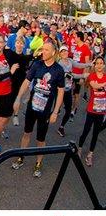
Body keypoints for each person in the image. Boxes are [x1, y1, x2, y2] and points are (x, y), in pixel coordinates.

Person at [11, 41, 65, 177]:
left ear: (53, 52)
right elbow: (26, 82)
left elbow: (61, 91)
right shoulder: (37, 65)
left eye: (46, 50)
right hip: (31, 107)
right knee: (26, 133)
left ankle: (38, 163)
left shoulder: (58, 70)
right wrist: (18, 98)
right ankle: (21, 157)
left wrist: (55, 112)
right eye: (42, 49)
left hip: (45, 111)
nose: (43, 52)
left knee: (41, 139)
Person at [77, 56, 106, 167]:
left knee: (95, 134)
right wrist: (103, 85)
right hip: (91, 110)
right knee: (86, 130)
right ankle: (79, 149)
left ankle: (90, 154)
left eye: (101, 63)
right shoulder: (92, 76)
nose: (99, 65)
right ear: (95, 65)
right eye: (97, 63)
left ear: (103, 65)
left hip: (101, 111)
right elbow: (95, 85)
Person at [56, 46, 90, 137]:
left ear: (68, 52)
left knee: (68, 110)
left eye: (65, 51)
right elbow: (70, 75)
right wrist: (83, 75)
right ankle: (46, 119)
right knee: (55, 107)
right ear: (59, 53)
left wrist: (89, 64)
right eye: (62, 51)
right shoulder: (60, 64)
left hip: (68, 90)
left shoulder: (70, 61)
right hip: (60, 90)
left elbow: (79, 65)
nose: (64, 53)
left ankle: (61, 127)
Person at [70, 32, 92, 121]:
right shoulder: (76, 47)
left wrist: (83, 77)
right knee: (71, 91)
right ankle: (71, 106)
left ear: (79, 38)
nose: (74, 38)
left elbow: (87, 64)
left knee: (76, 93)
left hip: (80, 74)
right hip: (73, 73)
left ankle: (73, 109)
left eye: (75, 37)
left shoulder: (85, 48)